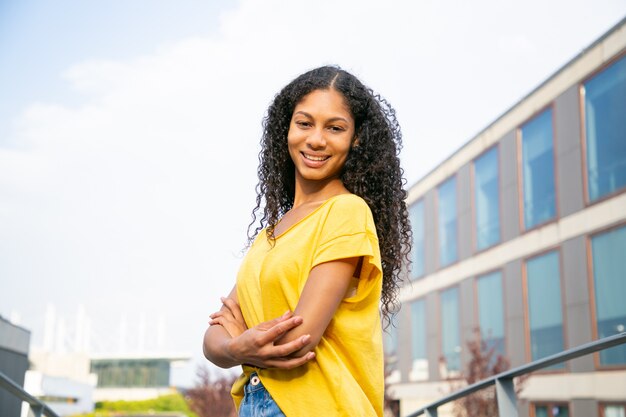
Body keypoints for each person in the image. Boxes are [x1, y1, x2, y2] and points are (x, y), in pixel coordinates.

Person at [203, 65, 411, 417]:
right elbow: (212, 340)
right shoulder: (271, 234)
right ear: (287, 128)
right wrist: (240, 346)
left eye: (335, 127)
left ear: (355, 139)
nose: (316, 139)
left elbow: (298, 341)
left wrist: (239, 343)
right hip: (256, 404)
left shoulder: (346, 212)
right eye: (304, 123)